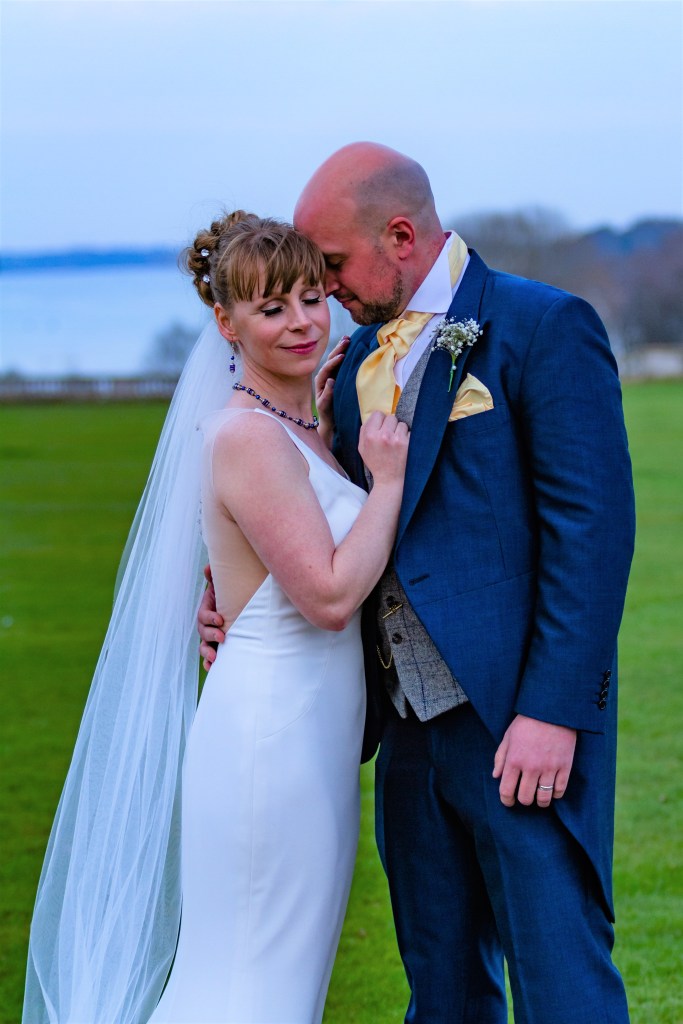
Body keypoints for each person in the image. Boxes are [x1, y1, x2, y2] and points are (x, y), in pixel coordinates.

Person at [199, 144, 636, 1024]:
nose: (323, 293)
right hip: (400, 733)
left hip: (516, 729)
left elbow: (592, 535)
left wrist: (552, 714)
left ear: (399, 236)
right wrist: (237, 609)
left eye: (330, 266)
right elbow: (321, 518)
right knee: (441, 992)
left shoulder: (541, 326)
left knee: (560, 984)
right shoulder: (350, 364)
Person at [23, 212, 409, 1024]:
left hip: (312, 736)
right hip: (271, 739)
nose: (302, 322)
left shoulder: (296, 428)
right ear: (226, 324)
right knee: (248, 983)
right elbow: (328, 598)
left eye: (311, 297)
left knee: (278, 977)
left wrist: (331, 440)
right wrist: (386, 483)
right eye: (272, 308)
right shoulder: (245, 438)